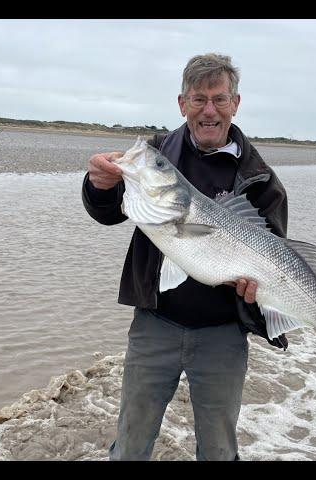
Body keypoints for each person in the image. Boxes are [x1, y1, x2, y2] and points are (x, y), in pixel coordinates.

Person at [81, 53, 289, 461]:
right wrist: (100, 185)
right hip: (154, 324)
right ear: (182, 104)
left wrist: (253, 291)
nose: (209, 110)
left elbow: (276, 255)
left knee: (218, 449)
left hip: (223, 334)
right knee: (131, 444)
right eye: (198, 99)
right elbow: (108, 212)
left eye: (219, 99)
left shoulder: (262, 179)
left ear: (235, 103)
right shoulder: (156, 157)